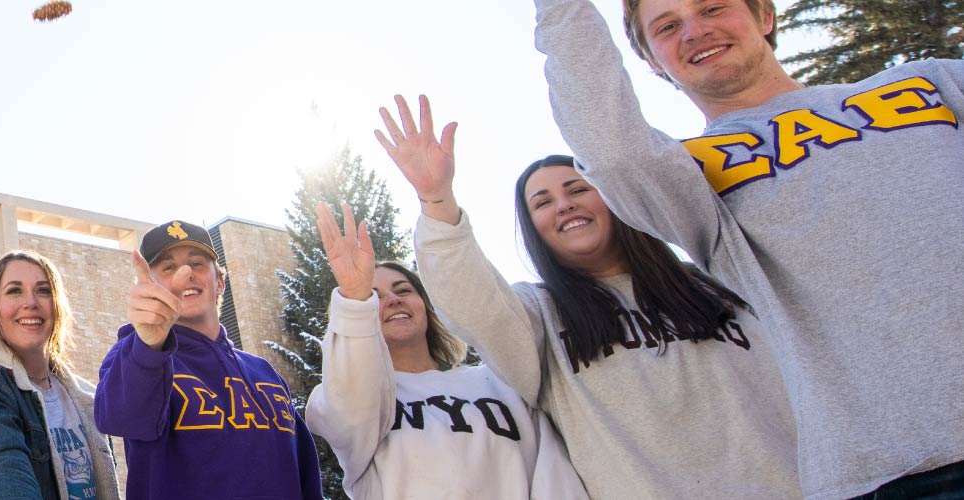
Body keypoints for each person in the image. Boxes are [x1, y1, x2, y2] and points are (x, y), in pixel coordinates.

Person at [527, 0, 964, 495]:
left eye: (712, 7)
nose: (695, 30)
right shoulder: (690, 173)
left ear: (766, 16)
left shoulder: (928, 84)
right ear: (652, 61)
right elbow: (607, 147)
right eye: (667, 27)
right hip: (900, 472)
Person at [379, 96, 797, 498]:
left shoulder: (716, 283)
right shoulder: (539, 315)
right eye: (542, 202)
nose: (563, 205)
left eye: (577, 189)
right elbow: (471, 304)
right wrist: (437, 201)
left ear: (612, 197)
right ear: (533, 229)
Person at [303, 202, 586, 500]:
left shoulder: (500, 381)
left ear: (426, 306)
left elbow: (555, 476)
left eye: (403, 290)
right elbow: (348, 405)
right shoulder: (349, 403)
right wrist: (354, 297)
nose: (392, 300)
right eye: (374, 296)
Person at [95, 220, 320, 500]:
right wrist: (149, 343)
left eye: (197, 263)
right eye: (168, 267)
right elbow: (118, 418)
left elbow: (306, 476)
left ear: (220, 282)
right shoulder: (135, 355)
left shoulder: (264, 373)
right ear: (149, 287)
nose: (185, 274)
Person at [0, 251, 123, 500]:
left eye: (44, 290)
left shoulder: (87, 397)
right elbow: (3, 473)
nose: (31, 302)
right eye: (14, 291)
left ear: (58, 306)